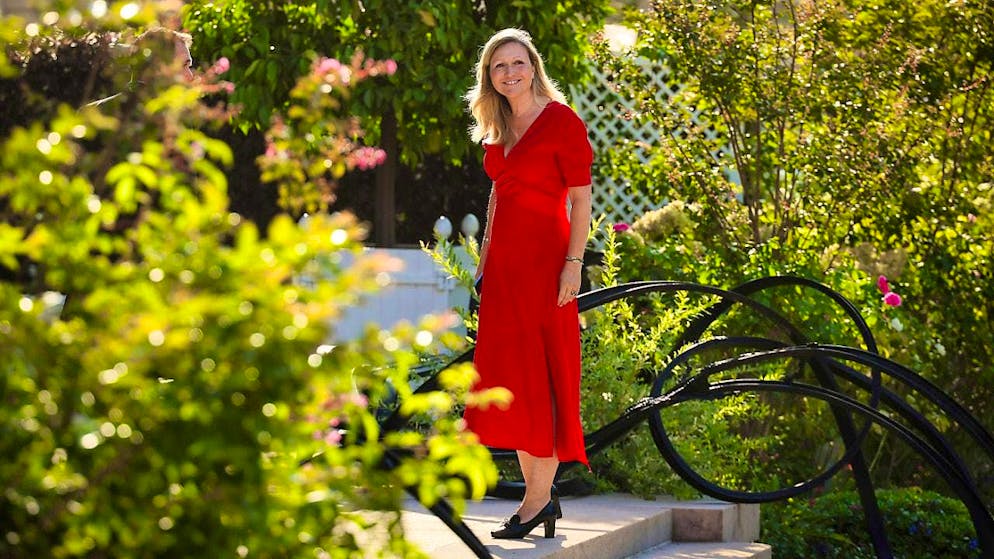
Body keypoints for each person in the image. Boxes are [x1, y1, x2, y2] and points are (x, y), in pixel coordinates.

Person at [462, 28, 593, 540]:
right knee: (513, 381)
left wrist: (573, 263)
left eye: (517, 63)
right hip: (505, 272)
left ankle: (536, 501)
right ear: (489, 77)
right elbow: (499, 196)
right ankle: (539, 499)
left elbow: (581, 200)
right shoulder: (499, 123)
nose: (509, 73)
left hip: (546, 266)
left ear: (533, 67)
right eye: (498, 67)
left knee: (545, 377)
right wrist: (484, 258)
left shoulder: (561, 122)